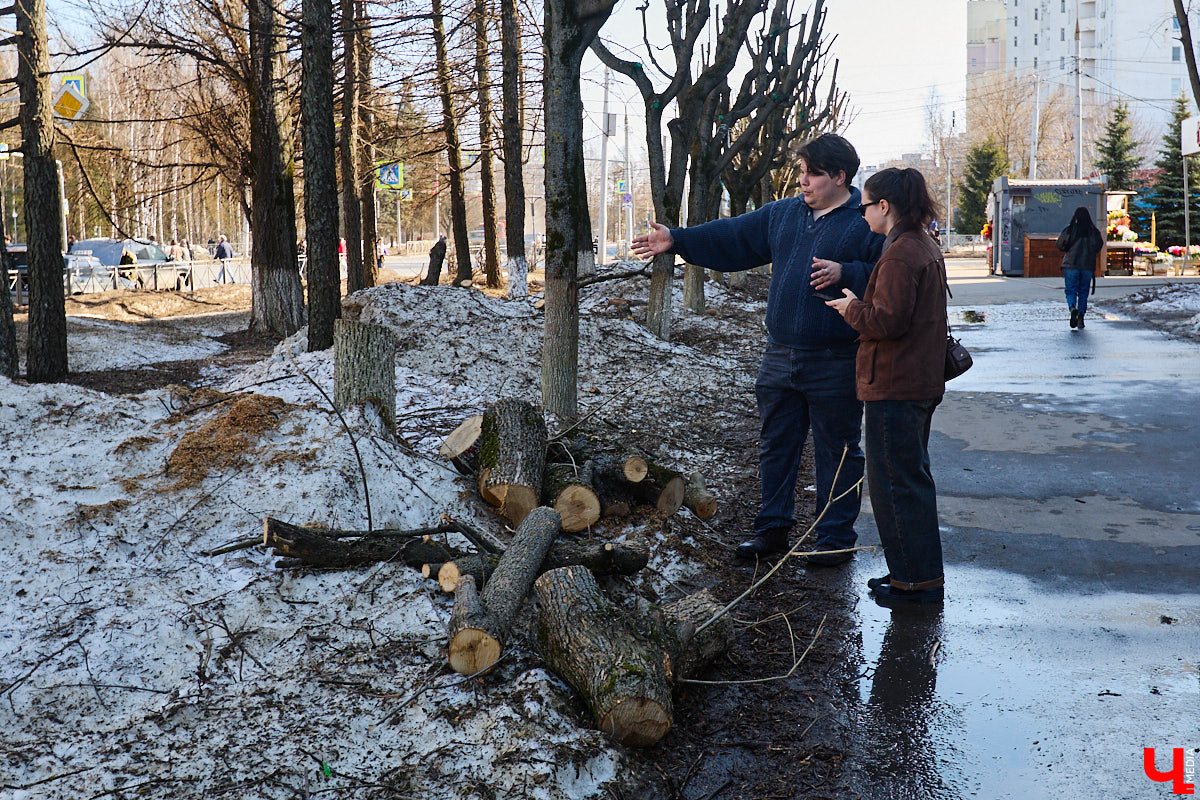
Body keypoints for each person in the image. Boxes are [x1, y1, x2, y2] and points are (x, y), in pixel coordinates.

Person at [631, 133, 884, 565]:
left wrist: (850, 271)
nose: (802, 181)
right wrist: (677, 240)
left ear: (841, 177)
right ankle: (771, 530)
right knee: (775, 444)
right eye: (801, 172)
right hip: (779, 353)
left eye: (812, 174)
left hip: (836, 358)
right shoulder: (783, 214)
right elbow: (733, 236)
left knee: (837, 450)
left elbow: (887, 275)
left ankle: (834, 537)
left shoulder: (866, 221)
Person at [825, 167, 948, 606]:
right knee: (910, 480)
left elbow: (887, 321)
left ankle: (914, 584)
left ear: (884, 207)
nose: (861, 216)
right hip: (916, 380)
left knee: (895, 485)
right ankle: (915, 576)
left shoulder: (898, 254)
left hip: (896, 383)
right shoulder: (920, 244)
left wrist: (852, 308)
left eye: (865, 207)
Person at [1056, 206, 1103, 329]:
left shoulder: (1070, 230)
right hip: (1087, 266)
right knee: (1083, 292)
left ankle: (1072, 308)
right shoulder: (1094, 232)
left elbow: (1060, 244)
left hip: (1071, 265)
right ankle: (1081, 316)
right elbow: (1098, 246)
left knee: (1071, 290)